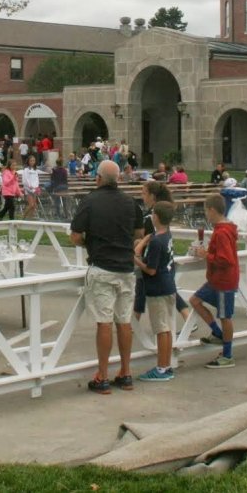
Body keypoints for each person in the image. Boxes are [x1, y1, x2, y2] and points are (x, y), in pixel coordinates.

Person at [69, 160, 145, 394]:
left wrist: (89, 242)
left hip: (102, 267)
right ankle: (125, 372)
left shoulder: (90, 201)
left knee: (104, 322)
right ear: (119, 179)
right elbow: (139, 233)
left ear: (98, 178)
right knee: (124, 321)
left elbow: (75, 236)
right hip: (125, 268)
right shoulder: (130, 202)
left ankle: (102, 375)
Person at [189, 194, 239, 369]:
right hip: (215, 280)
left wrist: (206, 255)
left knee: (225, 316)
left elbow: (226, 260)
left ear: (211, 210)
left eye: (206, 211)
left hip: (224, 281)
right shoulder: (222, 229)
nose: (206, 215)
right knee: (195, 300)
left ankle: (227, 354)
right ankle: (217, 334)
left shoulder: (223, 232)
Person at [134, 201, 176, 382]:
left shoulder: (157, 242)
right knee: (165, 328)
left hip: (157, 287)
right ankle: (166, 364)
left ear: (156, 217)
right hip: (168, 284)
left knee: (161, 329)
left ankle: (162, 367)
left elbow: (150, 269)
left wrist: (136, 260)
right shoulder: (165, 235)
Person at [20, 154, 42, 219]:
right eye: (31, 161)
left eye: (33, 160)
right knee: (31, 204)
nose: (32, 162)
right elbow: (25, 180)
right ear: (28, 161)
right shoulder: (26, 170)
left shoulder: (35, 170)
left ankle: (31, 218)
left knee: (34, 205)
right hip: (28, 189)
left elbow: (36, 179)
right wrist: (30, 186)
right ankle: (23, 217)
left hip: (35, 189)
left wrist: (36, 186)